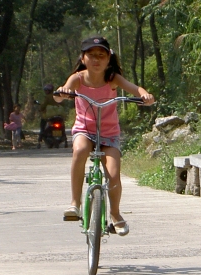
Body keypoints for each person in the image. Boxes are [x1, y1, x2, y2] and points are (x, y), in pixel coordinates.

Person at [53, 36, 155, 236]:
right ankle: (75, 203)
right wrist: (63, 92)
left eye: (101, 55)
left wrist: (145, 95)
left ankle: (115, 214)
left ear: (109, 58)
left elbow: (135, 89)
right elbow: (59, 94)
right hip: (85, 130)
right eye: (91, 55)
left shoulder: (113, 79)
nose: (96, 60)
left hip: (109, 134)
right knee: (80, 150)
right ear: (83, 58)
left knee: (114, 174)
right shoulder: (78, 79)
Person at [37, 84, 64, 148]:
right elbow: (62, 104)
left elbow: (43, 106)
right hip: (59, 116)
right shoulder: (57, 96)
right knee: (62, 125)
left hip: (49, 116)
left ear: (49, 91)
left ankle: (39, 140)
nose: (45, 92)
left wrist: (40, 109)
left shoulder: (48, 97)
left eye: (46, 90)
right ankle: (63, 137)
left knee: (42, 127)